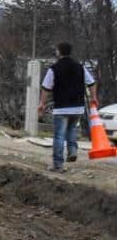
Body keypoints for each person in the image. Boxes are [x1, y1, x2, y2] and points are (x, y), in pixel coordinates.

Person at [38, 41, 98, 173]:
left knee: (59, 136)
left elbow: (46, 88)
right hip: (78, 107)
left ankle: (58, 165)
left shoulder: (54, 69)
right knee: (71, 129)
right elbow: (92, 83)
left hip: (61, 108)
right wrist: (94, 97)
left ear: (59, 52)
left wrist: (42, 104)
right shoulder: (80, 67)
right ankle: (72, 151)